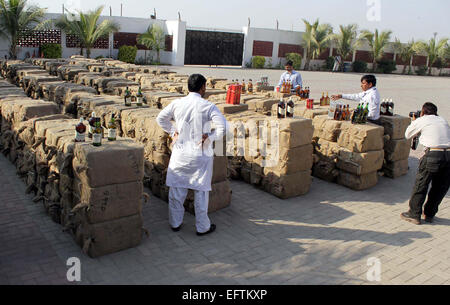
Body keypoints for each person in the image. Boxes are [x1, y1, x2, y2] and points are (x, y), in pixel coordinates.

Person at [156, 74, 227, 236]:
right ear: (202, 87)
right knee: (200, 193)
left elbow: (160, 118)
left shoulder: (177, 103)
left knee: (177, 191)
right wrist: (209, 137)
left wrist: (173, 131)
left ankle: (175, 223)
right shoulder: (208, 106)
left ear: (188, 87)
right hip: (200, 155)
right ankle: (202, 227)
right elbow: (223, 128)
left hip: (180, 154)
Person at [400, 103, 450, 225]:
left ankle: (414, 214)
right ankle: (429, 214)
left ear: (423, 112)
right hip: (448, 155)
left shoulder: (422, 120)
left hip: (433, 154)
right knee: (440, 187)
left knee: (421, 184)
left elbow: (407, 135)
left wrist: (414, 121)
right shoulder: (442, 120)